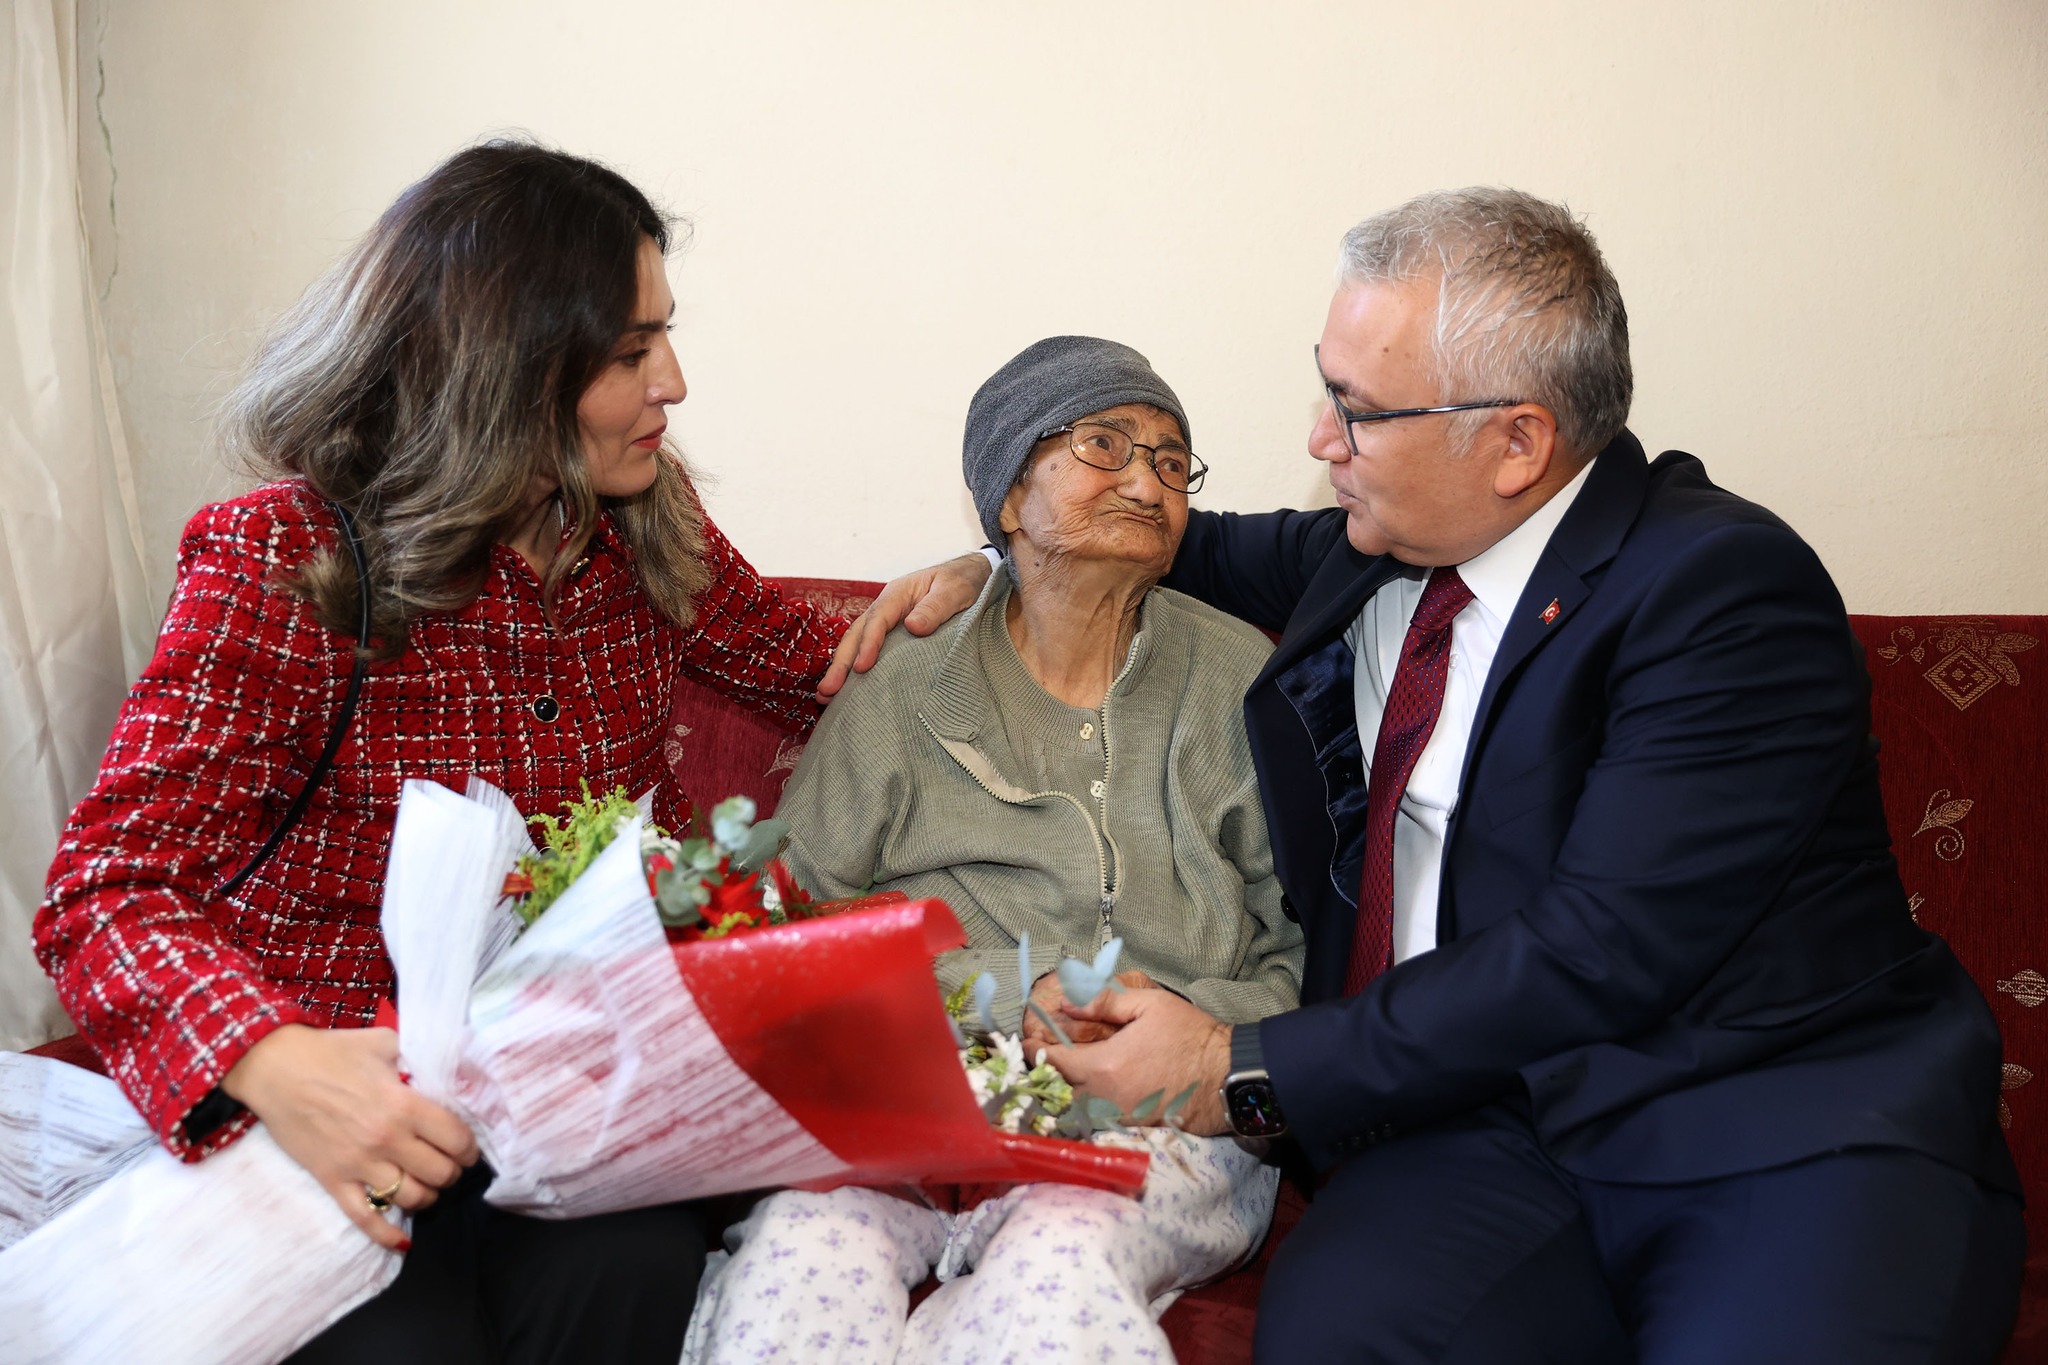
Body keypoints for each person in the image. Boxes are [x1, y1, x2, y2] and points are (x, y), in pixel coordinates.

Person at [842, 189, 2025, 1362]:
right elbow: (1150, 534)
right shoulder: (1372, 550)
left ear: (1513, 442)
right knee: (1335, 1340)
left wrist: (1230, 1065)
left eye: (1355, 412)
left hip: (1768, 1126)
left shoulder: (1718, 591)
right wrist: (998, 552)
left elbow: (1599, 949)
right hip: (1480, 1129)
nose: (1319, 441)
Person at [33, 141, 948, 1365]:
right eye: (630, 352)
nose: (672, 381)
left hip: (570, 1101)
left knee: (636, 1274)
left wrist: (985, 579)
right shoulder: (290, 560)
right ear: (505, 367)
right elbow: (106, 887)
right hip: (350, 1120)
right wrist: (273, 1060)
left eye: (662, 336)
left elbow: (811, 664)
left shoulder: (638, 517)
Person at [683, 336, 1305, 1364]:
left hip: (1159, 1123)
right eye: (1105, 444)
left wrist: (1196, 1029)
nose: (1145, 480)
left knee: (1059, 1268)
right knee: (801, 1248)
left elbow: (1300, 949)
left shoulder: (1239, 682)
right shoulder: (908, 676)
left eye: (1168, 461)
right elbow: (775, 924)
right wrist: (993, 992)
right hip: (919, 1101)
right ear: (1011, 494)